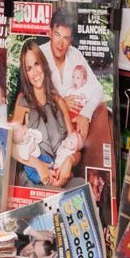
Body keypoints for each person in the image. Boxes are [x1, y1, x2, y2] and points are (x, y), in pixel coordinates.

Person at [11, 39, 77, 188]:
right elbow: (9, 146)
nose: (34, 72)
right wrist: (37, 164)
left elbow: (75, 147)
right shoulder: (23, 102)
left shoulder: (59, 101)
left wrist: (69, 161)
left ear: (43, 64)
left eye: (37, 64)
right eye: (29, 68)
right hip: (35, 178)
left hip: (59, 178)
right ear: (25, 74)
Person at [39, 7, 104, 136]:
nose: (60, 43)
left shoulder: (75, 55)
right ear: (50, 32)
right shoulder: (39, 55)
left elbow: (98, 88)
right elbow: (31, 96)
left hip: (74, 121)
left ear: (70, 41)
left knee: (103, 113)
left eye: (65, 38)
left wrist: (85, 114)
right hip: (47, 122)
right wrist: (61, 103)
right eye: (57, 35)